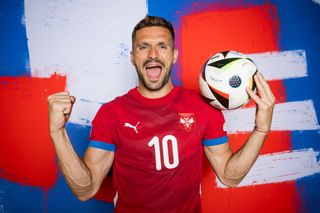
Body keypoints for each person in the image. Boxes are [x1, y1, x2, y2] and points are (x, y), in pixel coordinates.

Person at [48, 15, 275, 213]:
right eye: (143, 46)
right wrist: (57, 132)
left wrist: (261, 129)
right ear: (132, 56)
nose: (153, 54)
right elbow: (85, 190)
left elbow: (229, 176)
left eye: (162, 46)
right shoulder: (111, 113)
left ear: (174, 55)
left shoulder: (204, 109)